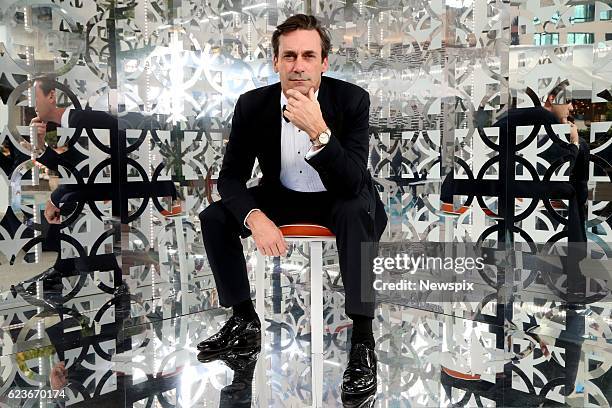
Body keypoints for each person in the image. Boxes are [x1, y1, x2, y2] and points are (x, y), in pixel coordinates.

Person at [197, 14, 387, 397]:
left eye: (308, 56)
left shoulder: (352, 100)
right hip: (282, 194)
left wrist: (319, 130)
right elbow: (231, 177)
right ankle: (244, 322)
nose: (298, 65)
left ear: (323, 63)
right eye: (289, 56)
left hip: (340, 196)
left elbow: (352, 181)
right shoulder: (253, 105)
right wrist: (254, 217)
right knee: (214, 217)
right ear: (276, 62)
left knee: (354, 212)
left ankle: (363, 341)